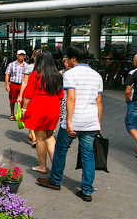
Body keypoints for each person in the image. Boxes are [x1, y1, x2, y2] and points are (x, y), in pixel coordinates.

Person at [36, 45, 103, 203]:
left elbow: (71, 98)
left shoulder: (70, 74)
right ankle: (87, 190)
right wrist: (98, 123)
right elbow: (99, 102)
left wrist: (68, 121)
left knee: (60, 150)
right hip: (91, 122)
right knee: (88, 155)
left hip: (74, 120)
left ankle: (55, 180)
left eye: (68, 57)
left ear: (74, 58)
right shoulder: (96, 75)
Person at [22, 51, 65, 174]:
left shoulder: (35, 74)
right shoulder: (57, 75)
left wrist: (24, 109)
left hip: (39, 106)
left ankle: (42, 166)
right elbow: (61, 95)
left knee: (40, 138)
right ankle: (56, 165)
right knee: (49, 136)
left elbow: (28, 95)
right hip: (54, 107)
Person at [5, 49, 32, 120]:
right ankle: (12, 114)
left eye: (23, 55)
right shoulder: (12, 64)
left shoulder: (27, 66)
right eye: (20, 55)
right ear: (17, 56)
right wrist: (7, 84)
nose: (21, 57)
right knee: (12, 100)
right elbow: (7, 74)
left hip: (22, 85)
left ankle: (21, 114)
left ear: (25, 56)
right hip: (13, 84)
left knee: (22, 100)